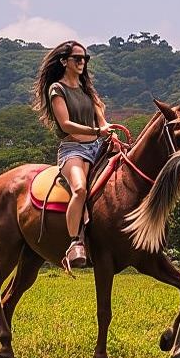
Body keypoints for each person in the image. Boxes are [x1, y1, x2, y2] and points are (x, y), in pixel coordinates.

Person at [31, 40, 117, 272]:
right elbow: (66, 125)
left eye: (85, 59)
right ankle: (75, 243)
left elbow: (102, 120)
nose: (82, 62)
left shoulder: (87, 88)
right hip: (73, 150)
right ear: (63, 61)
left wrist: (108, 132)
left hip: (97, 148)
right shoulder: (57, 89)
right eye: (77, 58)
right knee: (79, 189)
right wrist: (96, 132)